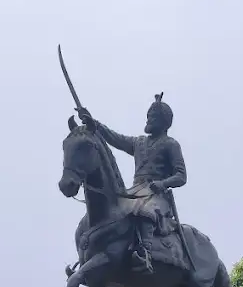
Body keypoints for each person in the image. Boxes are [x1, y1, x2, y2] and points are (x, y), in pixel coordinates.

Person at [78, 94, 187, 267]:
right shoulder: (139, 142)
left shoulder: (170, 144)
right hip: (135, 191)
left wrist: (162, 184)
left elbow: (181, 176)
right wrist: (94, 123)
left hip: (156, 194)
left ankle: (146, 252)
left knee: (145, 210)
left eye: (153, 117)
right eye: (148, 116)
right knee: (111, 211)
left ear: (163, 122)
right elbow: (114, 137)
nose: (149, 119)